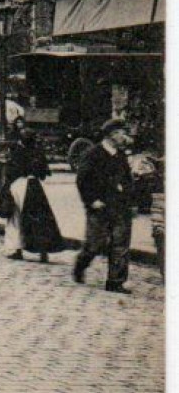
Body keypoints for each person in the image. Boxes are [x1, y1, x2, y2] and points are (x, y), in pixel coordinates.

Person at [74, 121, 136, 293]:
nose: (123, 137)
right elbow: (82, 180)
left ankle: (115, 281)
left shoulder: (121, 156)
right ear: (110, 134)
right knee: (95, 243)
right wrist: (91, 200)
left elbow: (127, 180)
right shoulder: (93, 154)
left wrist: (131, 201)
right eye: (120, 133)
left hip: (119, 206)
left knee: (120, 243)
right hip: (99, 206)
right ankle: (80, 265)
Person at [0, 128, 64, 262]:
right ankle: (43, 251)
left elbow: (10, 173)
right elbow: (44, 174)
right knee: (40, 218)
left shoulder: (17, 152)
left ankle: (17, 249)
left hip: (19, 185)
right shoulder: (38, 153)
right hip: (35, 185)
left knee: (15, 218)